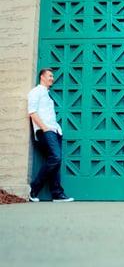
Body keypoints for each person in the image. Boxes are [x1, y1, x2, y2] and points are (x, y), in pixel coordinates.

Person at [28, 68, 74, 202]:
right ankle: (34, 188)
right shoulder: (35, 92)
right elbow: (32, 112)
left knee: (55, 161)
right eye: (50, 76)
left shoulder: (46, 94)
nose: (52, 78)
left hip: (54, 131)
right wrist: (45, 128)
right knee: (55, 157)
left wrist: (54, 130)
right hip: (45, 131)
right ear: (42, 77)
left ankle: (57, 194)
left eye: (52, 76)